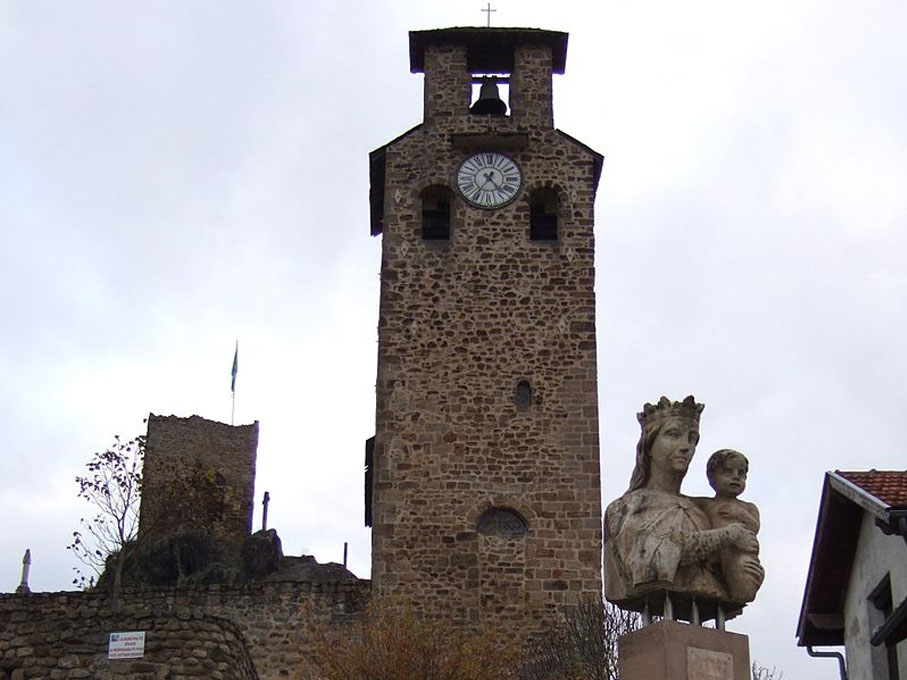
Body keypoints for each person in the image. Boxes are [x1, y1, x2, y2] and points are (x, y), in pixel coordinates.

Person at [603, 396, 760, 617]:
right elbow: (652, 561)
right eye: (673, 435)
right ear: (649, 445)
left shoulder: (701, 509)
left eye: (692, 438)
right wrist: (726, 535)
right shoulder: (627, 507)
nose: (686, 446)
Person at [698, 449, 764, 603]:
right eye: (727, 472)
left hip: (741, 555)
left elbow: (754, 527)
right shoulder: (706, 504)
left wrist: (740, 515)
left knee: (743, 589)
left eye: (741, 473)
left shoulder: (749, 507)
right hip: (715, 553)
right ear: (712, 477)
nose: (736, 477)